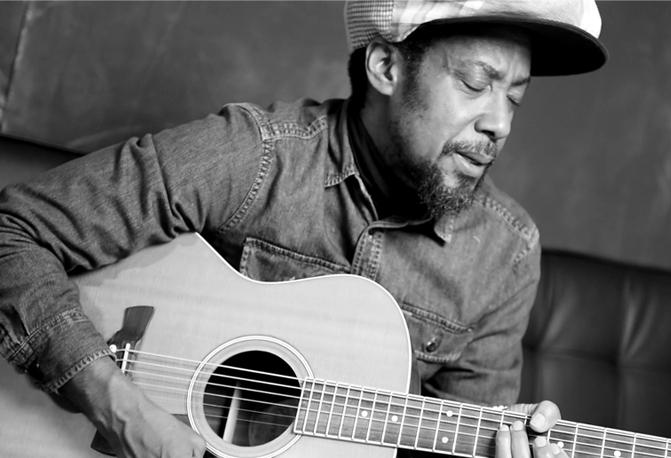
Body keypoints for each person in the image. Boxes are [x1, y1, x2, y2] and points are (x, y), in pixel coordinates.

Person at [0, 1, 607, 457]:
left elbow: (455, 437)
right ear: (387, 67)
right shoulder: (255, 155)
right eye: (476, 84)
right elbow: (13, 230)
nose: (500, 123)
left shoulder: (505, 253)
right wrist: (123, 412)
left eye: (515, 98)